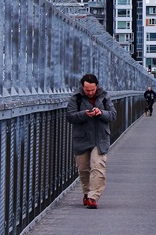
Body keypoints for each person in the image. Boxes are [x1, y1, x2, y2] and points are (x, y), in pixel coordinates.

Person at [66, 73, 116, 210]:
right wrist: (84, 114)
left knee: (98, 166)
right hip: (82, 138)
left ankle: (93, 197)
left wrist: (101, 113)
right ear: (82, 87)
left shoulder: (104, 97)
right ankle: (87, 193)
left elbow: (113, 115)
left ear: (96, 86)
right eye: (87, 90)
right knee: (84, 169)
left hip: (100, 138)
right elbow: (70, 116)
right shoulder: (75, 98)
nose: (90, 92)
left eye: (92, 90)